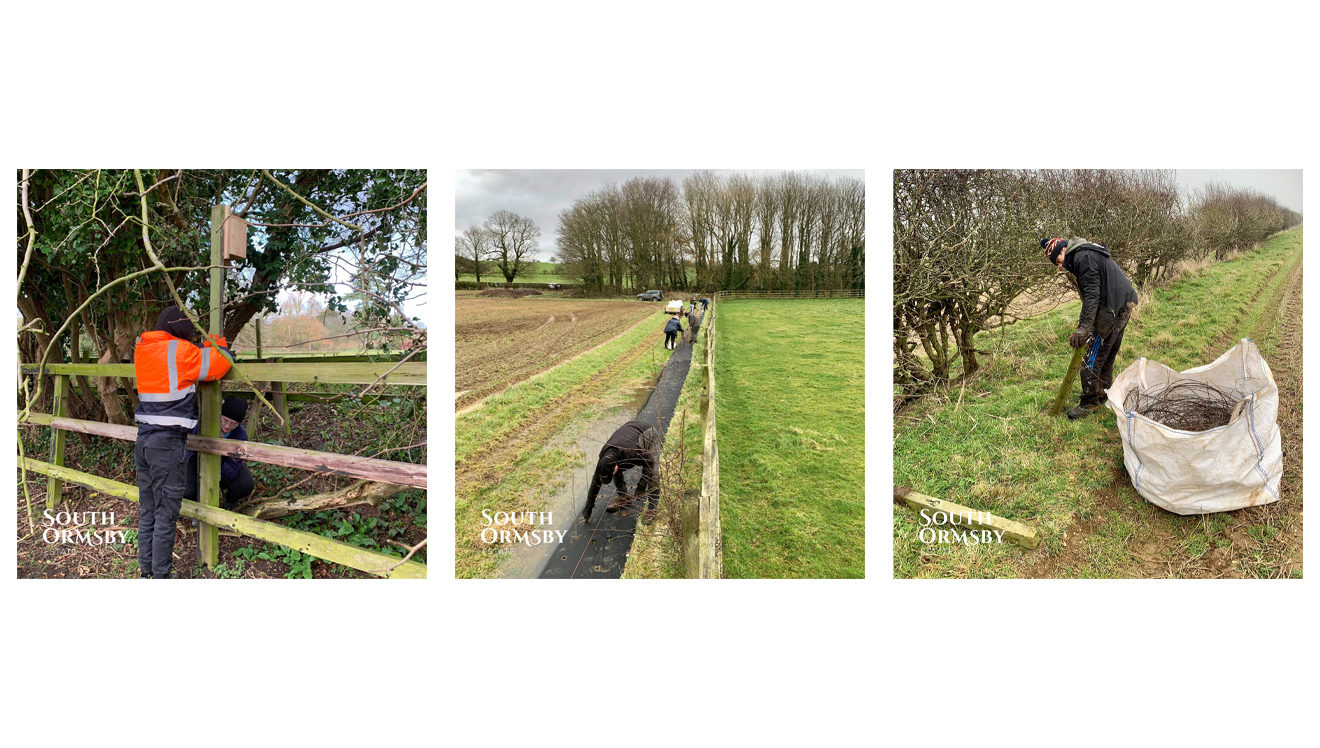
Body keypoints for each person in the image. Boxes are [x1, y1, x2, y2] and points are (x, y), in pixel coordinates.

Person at [133, 304, 234, 578]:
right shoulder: (181, 352)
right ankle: (162, 577)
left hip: (143, 441)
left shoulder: (142, 349)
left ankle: (147, 573)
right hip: (167, 444)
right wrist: (216, 342)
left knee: (149, 511)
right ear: (182, 331)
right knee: (166, 515)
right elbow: (221, 362)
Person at [1043, 237, 1139, 420]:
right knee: (1106, 355)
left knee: (1091, 359)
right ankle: (1103, 393)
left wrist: (1084, 327)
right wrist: (1084, 322)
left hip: (1111, 308)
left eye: (1058, 260)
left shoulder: (1083, 257)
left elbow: (1092, 294)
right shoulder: (1086, 252)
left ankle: (1089, 403)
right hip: (1123, 303)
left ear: (1063, 251)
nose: (1060, 266)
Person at [184, 396, 255, 510]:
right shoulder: (202, 424)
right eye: (225, 420)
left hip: (223, 467)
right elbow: (187, 453)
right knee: (187, 491)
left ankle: (229, 500)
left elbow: (232, 471)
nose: (227, 426)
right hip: (196, 463)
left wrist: (221, 459)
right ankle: (197, 506)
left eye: (233, 424)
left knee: (244, 484)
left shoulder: (240, 435)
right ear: (220, 415)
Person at [582, 420, 659, 521]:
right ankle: (624, 497)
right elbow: (595, 483)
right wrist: (588, 507)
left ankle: (652, 510)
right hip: (629, 430)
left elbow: (650, 462)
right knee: (613, 468)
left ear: (616, 468)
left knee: (654, 474)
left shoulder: (631, 454)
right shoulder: (603, 460)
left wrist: (641, 487)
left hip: (649, 433)